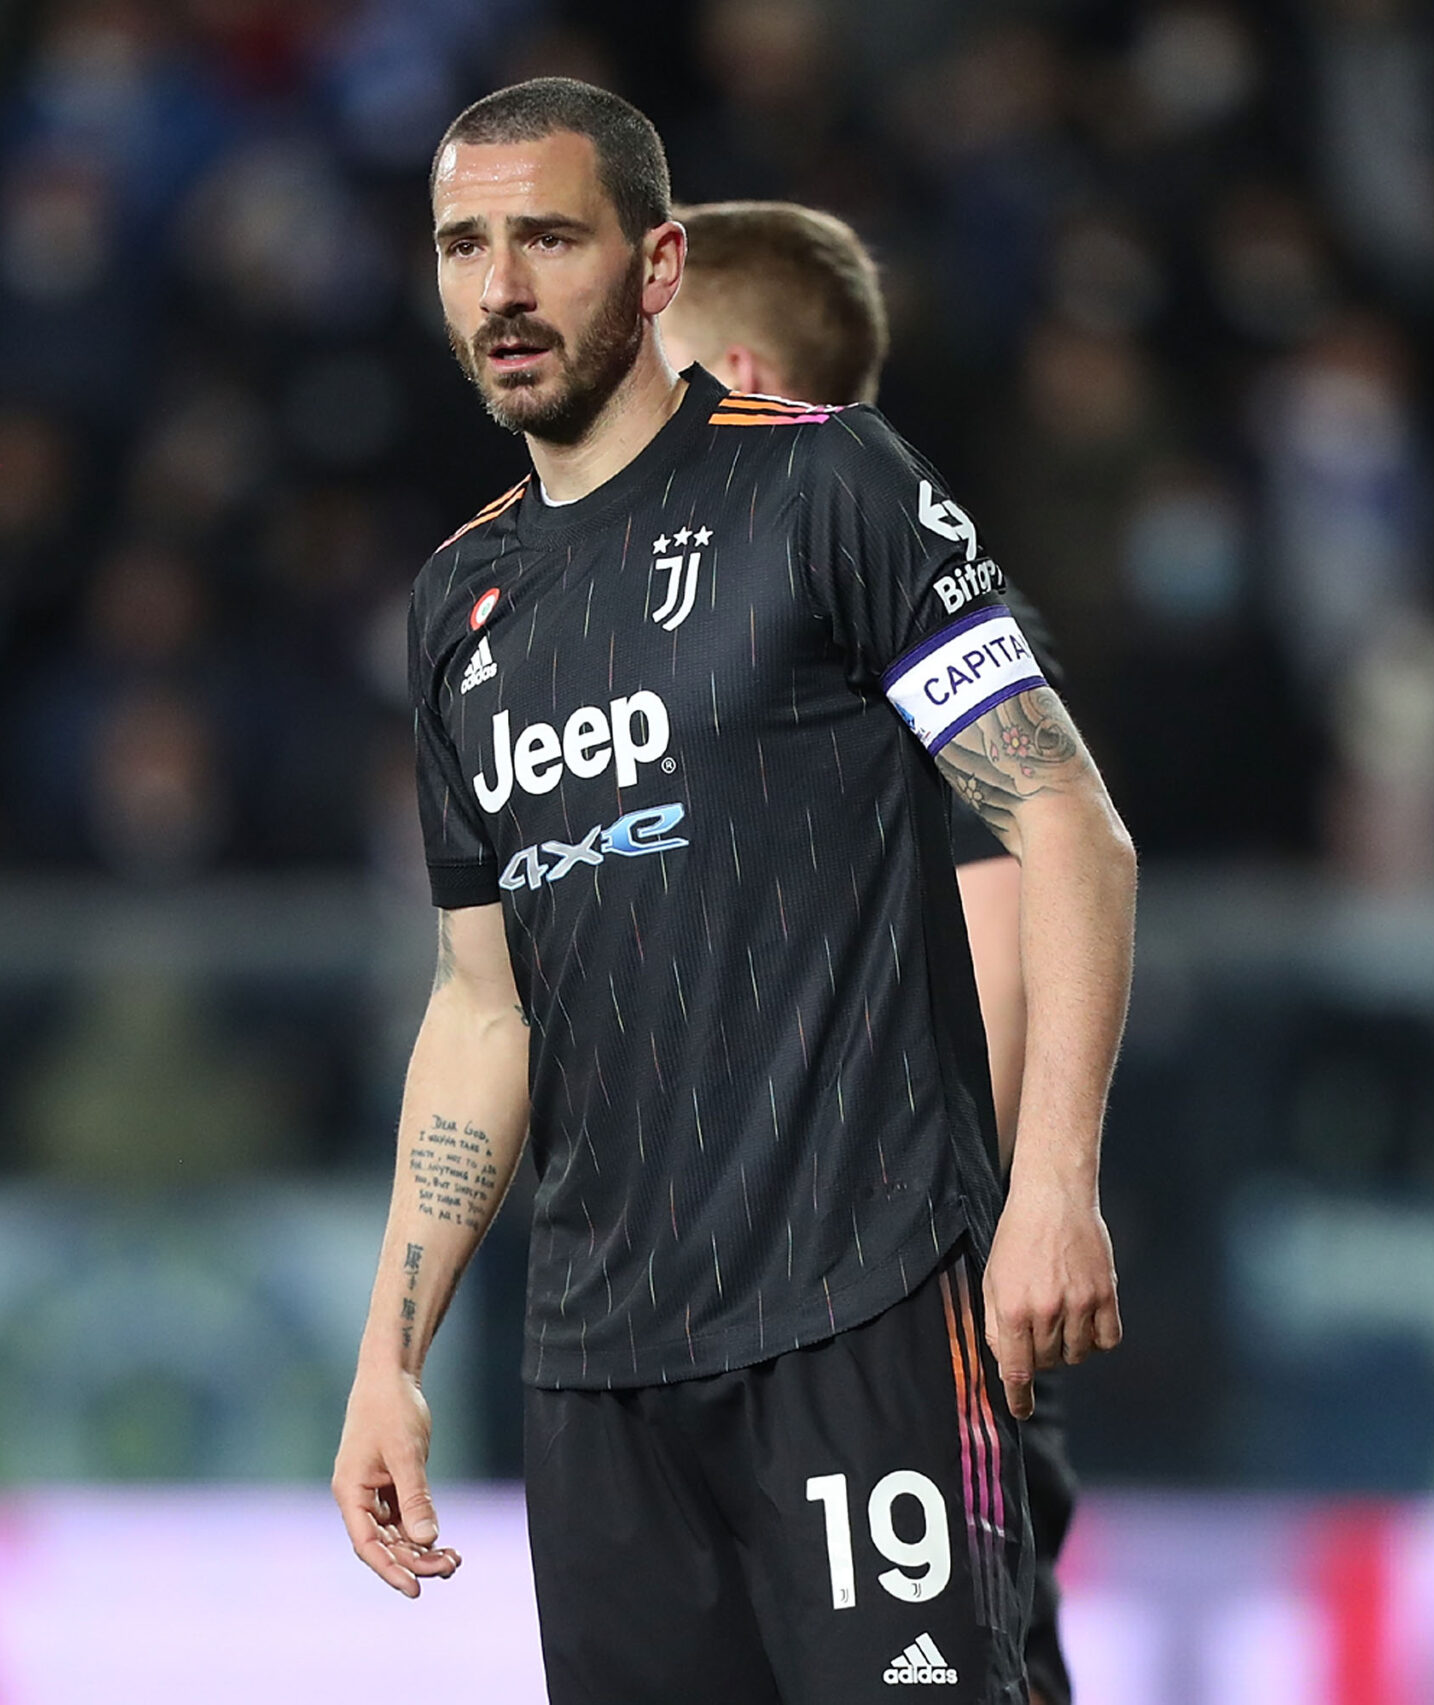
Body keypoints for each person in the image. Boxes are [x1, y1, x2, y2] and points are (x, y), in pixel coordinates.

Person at [334, 79, 1135, 1705]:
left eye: (549, 238)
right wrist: (388, 1353)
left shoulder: (826, 485)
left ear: (655, 264)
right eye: (464, 247)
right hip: (599, 1378)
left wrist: (1052, 1186)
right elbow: (483, 1009)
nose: (501, 288)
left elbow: (1064, 822)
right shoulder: (460, 606)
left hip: (862, 1320)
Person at [656, 196, 1080, 1705]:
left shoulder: (897, 611)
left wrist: (950, 1279)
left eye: (652, 359)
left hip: (890, 1328)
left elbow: (1000, 955)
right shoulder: (721, 642)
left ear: (744, 376)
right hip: (736, 1322)